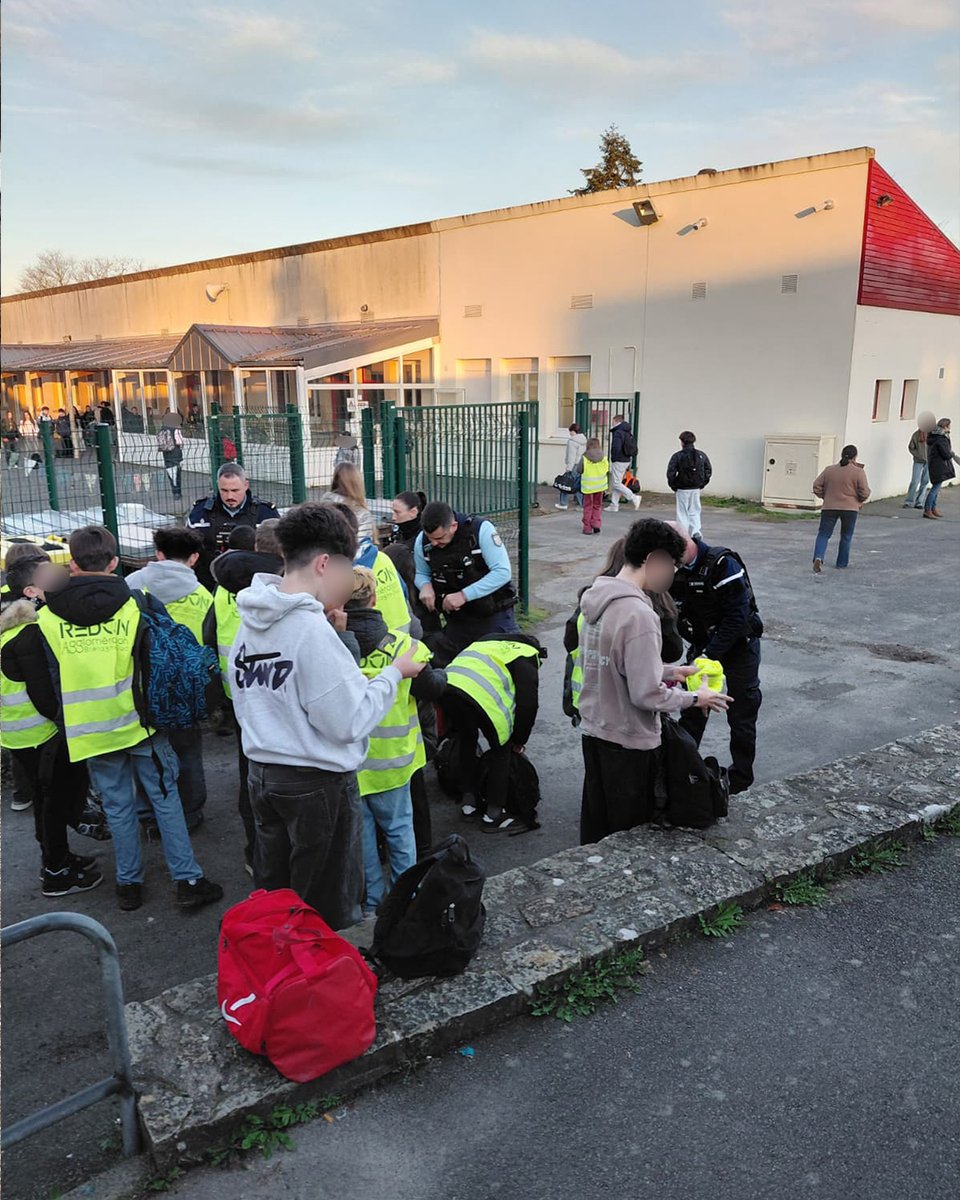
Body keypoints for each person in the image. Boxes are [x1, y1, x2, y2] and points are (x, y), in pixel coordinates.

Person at [229, 502, 425, 930]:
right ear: (323, 564)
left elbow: (253, 694)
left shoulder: (253, 615)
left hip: (263, 775)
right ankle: (324, 985)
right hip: (315, 785)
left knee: (276, 895)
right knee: (328, 907)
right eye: (346, 569)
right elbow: (349, 722)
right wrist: (394, 673)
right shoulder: (309, 630)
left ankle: (279, 974)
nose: (348, 581)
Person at [37, 525, 223, 913]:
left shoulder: (48, 617)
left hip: (91, 729)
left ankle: (129, 884)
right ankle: (187, 879)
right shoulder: (135, 603)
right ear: (115, 562)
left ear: (71, 563)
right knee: (166, 798)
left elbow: (51, 680)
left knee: (118, 807)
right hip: (141, 722)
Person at [577, 519, 729, 843]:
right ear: (653, 559)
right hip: (629, 742)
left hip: (595, 731)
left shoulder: (596, 599)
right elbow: (645, 695)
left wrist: (673, 671)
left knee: (596, 828)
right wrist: (695, 699)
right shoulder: (639, 615)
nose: (673, 575)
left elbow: (614, 665)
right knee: (628, 837)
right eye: (672, 565)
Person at [345, 566, 447, 912]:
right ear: (374, 599)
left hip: (352, 766)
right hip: (395, 763)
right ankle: (406, 901)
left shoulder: (333, 648)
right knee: (401, 833)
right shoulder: (406, 647)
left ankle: (373, 904)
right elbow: (432, 687)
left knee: (363, 841)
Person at [1, 556, 104, 897]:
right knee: (54, 799)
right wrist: (69, 722)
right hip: (39, 733)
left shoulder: (9, 623)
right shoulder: (28, 634)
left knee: (47, 798)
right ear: (31, 590)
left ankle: (58, 856)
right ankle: (56, 870)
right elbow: (44, 697)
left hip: (18, 733)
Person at [201, 524, 284, 872]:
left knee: (249, 769)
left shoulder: (223, 587)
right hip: (276, 691)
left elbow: (209, 635)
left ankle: (256, 852)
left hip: (238, 692)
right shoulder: (281, 587)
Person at [126, 526, 213, 831]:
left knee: (147, 751)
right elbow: (208, 643)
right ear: (194, 558)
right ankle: (190, 811)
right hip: (186, 687)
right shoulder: (203, 595)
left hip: (141, 684)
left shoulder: (131, 586)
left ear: (158, 554)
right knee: (187, 750)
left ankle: (149, 813)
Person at [671, 532, 762, 796]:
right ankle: (683, 774)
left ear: (686, 544)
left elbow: (738, 617)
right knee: (692, 710)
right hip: (703, 647)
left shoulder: (723, 564)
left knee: (742, 712)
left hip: (739, 647)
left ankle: (740, 780)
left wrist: (708, 655)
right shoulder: (675, 572)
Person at [563, 537, 684, 725]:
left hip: (587, 704)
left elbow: (570, 641)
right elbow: (672, 651)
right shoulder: (646, 606)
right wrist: (694, 698)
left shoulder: (593, 596)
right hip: (627, 715)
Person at [442, 633, 544, 830]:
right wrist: (519, 740)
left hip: (448, 687)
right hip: (479, 697)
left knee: (467, 740)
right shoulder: (526, 653)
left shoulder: (488, 642)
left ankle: (468, 803)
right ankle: (494, 814)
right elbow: (528, 704)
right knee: (501, 750)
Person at [414, 501, 519, 667]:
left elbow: (502, 572)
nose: (434, 544)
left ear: (454, 526)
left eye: (440, 538)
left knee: (506, 668)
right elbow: (421, 573)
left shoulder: (481, 530)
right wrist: (425, 586)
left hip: (493, 616)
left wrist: (464, 595)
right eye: (430, 538)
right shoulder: (422, 541)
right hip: (458, 622)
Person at [186, 463, 280, 589]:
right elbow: (188, 551)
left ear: (246, 485)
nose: (230, 496)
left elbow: (279, 553)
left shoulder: (266, 513)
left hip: (256, 586)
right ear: (218, 486)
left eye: (235, 490)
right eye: (224, 491)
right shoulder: (200, 512)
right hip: (209, 585)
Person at [811, 445, 871, 571]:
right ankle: (841, 563)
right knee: (846, 536)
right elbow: (864, 492)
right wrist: (859, 501)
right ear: (855, 457)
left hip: (829, 507)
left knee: (823, 534)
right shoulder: (858, 472)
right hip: (850, 509)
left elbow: (816, 485)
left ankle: (818, 557)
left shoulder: (829, 470)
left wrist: (825, 496)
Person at [667, 431, 712, 541]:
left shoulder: (677, 456)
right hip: (696, 487)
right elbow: (708, 470)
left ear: (682, 442)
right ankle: (696, 531)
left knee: (682, 512)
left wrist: (673, 485)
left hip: (682, 488)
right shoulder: (701, 455)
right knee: (695, 510)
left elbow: (671, 472)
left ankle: (683, 534)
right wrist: (702, 483)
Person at [320, 462, 378, 544]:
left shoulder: (324, 503)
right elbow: (362, 543)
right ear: (358, 482)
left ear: (335, 479)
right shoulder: (362, 512)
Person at [923, 418, 959, 520]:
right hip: (939, 466)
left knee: (937, 488)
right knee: (935, 489)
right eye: (949, 426)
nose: (950, 428)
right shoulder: (940, 439)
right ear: (945, 426)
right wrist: (951, 453)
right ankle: (928, 510)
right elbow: (946, 454)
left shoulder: (935, 437)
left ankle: (932, 508)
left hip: (935, 465)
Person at [607, 413, 641, 513]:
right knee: (616, 481)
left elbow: (616, 447)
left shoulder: (618, 432)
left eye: (613, 421)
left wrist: (613, 457)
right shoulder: (627, 431)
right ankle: (614, 505)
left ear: (617, 421)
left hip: (619, 459)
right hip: (626, 459)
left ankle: (634, 497)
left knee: (616, 483)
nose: (612, 423)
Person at [578, 437, 609, 535]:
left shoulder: (585, 457)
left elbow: (579, 470)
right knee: (597, 505)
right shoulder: (603, 457)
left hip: (588, 487)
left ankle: (587, 528)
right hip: (600, 486)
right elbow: (607, 469)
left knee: (588, 506)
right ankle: (596, 524)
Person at [555, 424, 587, 510]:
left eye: (570, 431)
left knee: (565, 484)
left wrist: (568, 468)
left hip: (573, 465)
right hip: (581, 464)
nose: (570, 433)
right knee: (577, 485)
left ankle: (563, 503)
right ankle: (582, 504)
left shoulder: (572, 441)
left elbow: (571, 456)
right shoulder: (584, 440)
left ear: (573, 431)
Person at [158, 412, 185, 501]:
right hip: (176, 454)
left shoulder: (162, 429)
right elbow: (179, 442)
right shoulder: (176, 429)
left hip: (166, 455)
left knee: (170, 474)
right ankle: (178, 492)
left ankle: (174, 491)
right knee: (177, 474)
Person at [903, 426, 929, 510]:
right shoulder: (916, 435)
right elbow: (911, 447)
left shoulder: (933, 435)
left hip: (929, 461)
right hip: (918, 461)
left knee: (925, 481)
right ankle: (909, 501)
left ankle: (919, 502)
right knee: (914, 481)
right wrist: (919, 455)